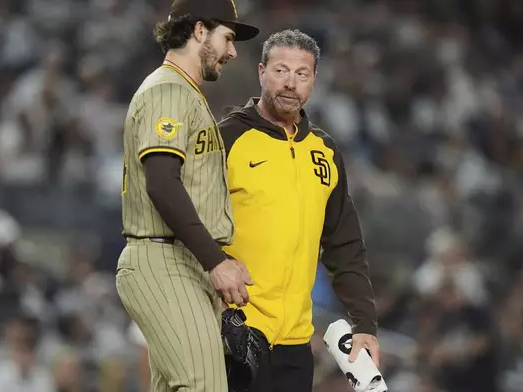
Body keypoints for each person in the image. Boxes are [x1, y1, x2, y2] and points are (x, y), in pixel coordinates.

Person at [218, 29, 380, 392]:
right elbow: (190, 220)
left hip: (295, 342)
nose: (290, 83)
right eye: (280, 70)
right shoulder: (227, 138)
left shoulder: (325, 151)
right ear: (261, 72)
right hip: (235, 333)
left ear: (313, 80)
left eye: (301, 74)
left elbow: (344, 243)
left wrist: (365, 324)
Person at [114, 1, 259, 391]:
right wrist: (216, 262)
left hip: (181, 258)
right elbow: (161, 183)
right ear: (199, 31)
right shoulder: (169, 90)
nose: (233, 52)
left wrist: (217, 258)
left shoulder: (185, 93)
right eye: (227, 37)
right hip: (163, 258)